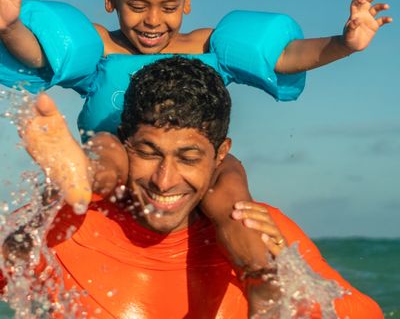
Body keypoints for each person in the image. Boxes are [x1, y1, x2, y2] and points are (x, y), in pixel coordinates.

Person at [0, 0, 392, 279]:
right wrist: (11, 28)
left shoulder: (208, 46)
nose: (153, 20)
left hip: (198, 163)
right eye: (137, 6)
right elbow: (40, 56)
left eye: (169, 7)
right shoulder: (101, 48)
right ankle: (77, 176)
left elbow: (284, 57)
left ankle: (259, 273)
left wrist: (344, 45)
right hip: (127, 156)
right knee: (107, 149)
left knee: (231, 182)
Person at [4, 57, 383, 318]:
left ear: (221, 155)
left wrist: (288, 273)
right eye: (148, 153)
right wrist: (44, 211)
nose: (165, 179)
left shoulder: (257, 230)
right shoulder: (73, 223)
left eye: (188, 158)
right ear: (124, 141)